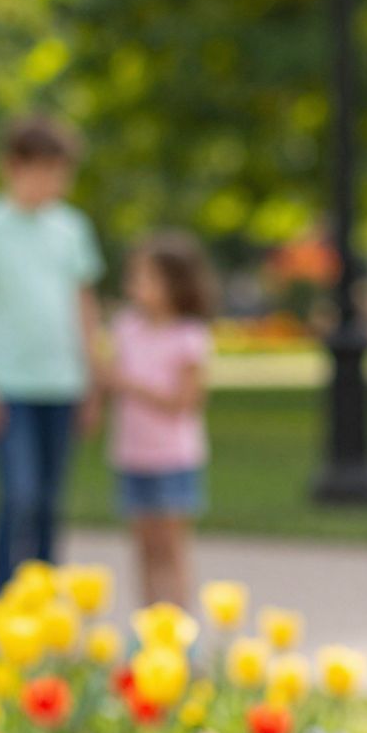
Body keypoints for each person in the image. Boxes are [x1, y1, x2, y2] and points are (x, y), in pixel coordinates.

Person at [0, 113, 104, 592]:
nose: (51, 182)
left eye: (59, 172)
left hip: (62, 383)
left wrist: (93, 382)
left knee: (51, 502)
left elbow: (84, 310)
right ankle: (3, 597)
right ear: (14, 166)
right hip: (8, 384)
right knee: (19, 496)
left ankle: (44, 598)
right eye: (43, 170)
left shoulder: (72, 229)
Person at [107, 231, 217, 609]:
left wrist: (128, 384)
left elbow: (185, 401)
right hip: (132, 456)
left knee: (172, 551)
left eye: (147, 277)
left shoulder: (189, 337)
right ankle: (148, 626)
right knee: (144, 550)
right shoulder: (127, 328)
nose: (135, 286)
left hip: (174, 459)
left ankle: (179, 630)